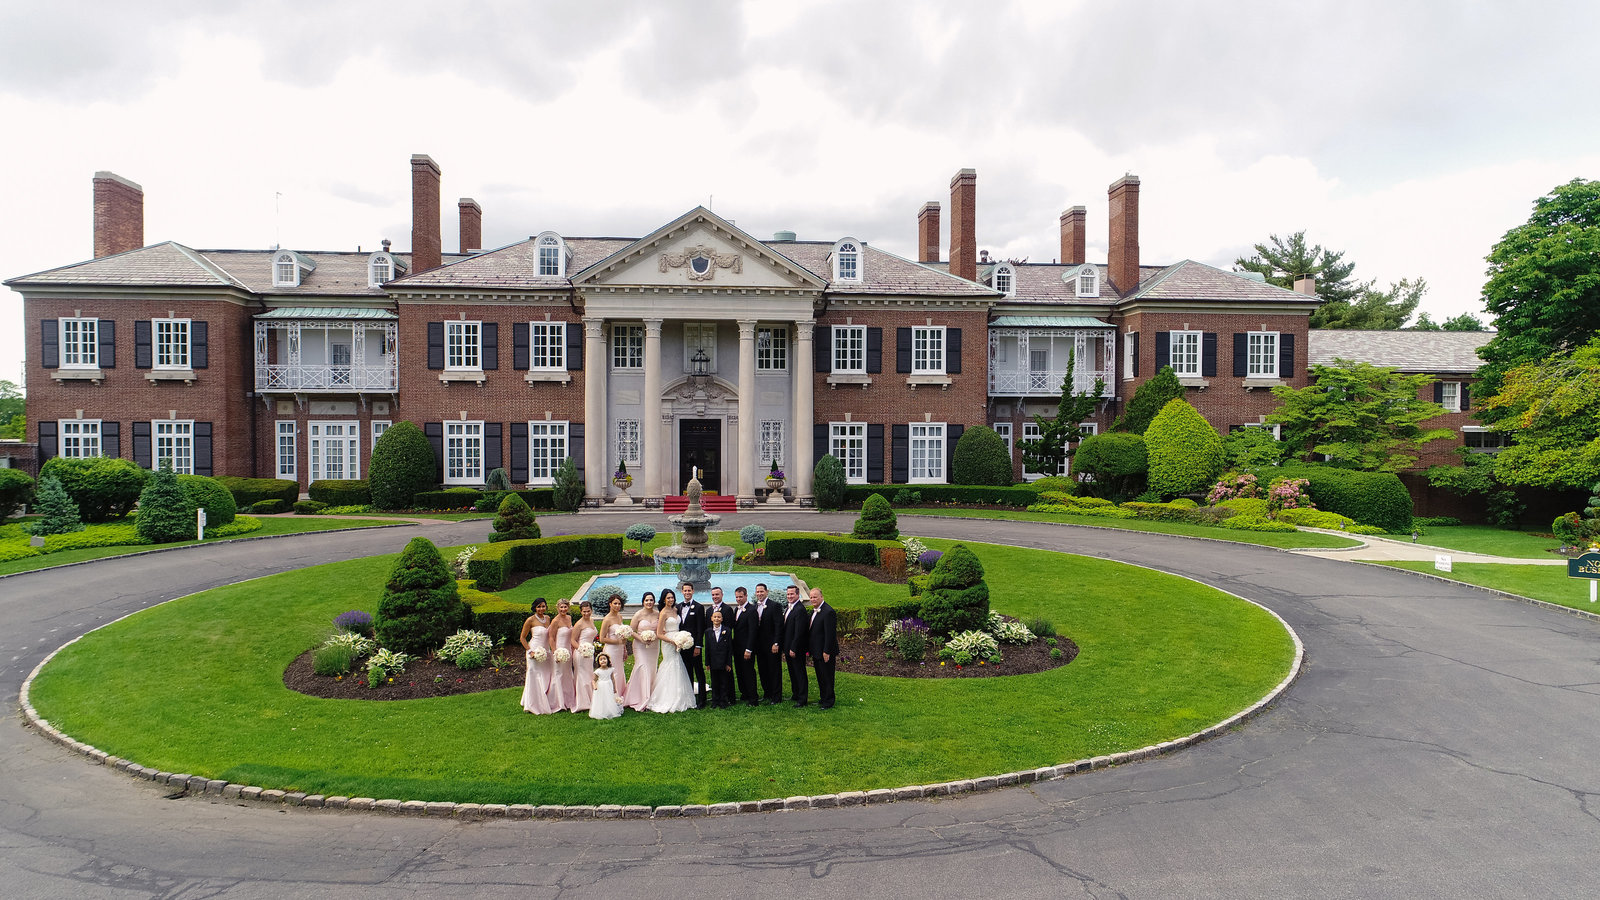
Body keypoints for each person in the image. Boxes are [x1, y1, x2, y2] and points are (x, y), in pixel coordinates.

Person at [647, 591, 696, 713]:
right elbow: (658, 634)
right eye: (668, 598)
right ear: (664, 599)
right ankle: (666, 696)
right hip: (668, 642)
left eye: (672, 597)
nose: (670, 599)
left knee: (678, 664)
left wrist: (682, 638)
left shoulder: (675, 609)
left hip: (678, 639)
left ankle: (680, 694)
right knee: (670, 664)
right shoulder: (663, 613)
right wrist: (672, 641)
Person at [623, 592, 661, 711]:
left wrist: (654, 637)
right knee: (642, 666)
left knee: (652, 668)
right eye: (647, 600)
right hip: (640, 646)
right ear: (643, 602)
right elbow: (631, 630)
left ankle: (651, 694)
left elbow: (661, 630)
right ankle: (640, 696)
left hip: (654, 646)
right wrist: (642, 639)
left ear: (654, 602)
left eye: (651, 600)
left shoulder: (658, 614)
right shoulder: (638, 614)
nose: (649, 602)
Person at [519, 598, 554, 714]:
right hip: (534, 650)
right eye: (538, 606)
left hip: (546, 651)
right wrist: (530, 651)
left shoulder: (548, 618)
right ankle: (531, 702)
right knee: (534, 675)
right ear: (535, 607)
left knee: (546, 675)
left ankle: (543, 699)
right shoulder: (530, 620)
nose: (541, 609)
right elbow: (522, 638)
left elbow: (550, 636)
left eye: (543, 606)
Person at [678, 582, 709, 708]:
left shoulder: (699, 607)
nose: (687, 593)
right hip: (682, 647)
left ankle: (702, 700)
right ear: (682, 592)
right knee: (687, 672)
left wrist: (698, 646)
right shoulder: (678, 607)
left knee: (699, 672)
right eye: (685, 591)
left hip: (694, 647)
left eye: (689, 590)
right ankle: (690, 698)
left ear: (693, 591)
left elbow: (700, 629)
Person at [808, 587, 838, 710]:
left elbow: (830, 634)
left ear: (822, 597)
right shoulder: (814, 611)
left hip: (825, 651)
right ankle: (823, 698)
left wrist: (826, 651)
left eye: (815, 597)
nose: (813, 599)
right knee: (820, 675)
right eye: (811, 597)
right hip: (817, 650)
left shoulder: (828, 611)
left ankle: (829, 701)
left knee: (827, 676)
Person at [753, 582, 784, 704]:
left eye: (761, 591)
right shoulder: (755, 606)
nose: (759, 594)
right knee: (763, 669)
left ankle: (776, 696)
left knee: (774, 670)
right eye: (758, 592)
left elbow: (778, 626)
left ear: (767, 592)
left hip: (772, 644)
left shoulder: (774, 606)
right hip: (759, 645)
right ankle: (767, 693)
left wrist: (776, 643)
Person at [781, 584, 811, 707]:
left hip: (796, 648)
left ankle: (802, 698)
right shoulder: (789, 608)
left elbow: (799, 632)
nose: (789, 596)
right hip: (788, 647)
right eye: (788, 594)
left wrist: (794, 648)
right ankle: (796, 693)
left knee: (799, 672)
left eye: (792, 594)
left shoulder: (800, 610)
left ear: (798, 594)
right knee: (792, 671)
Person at [545, 597, 576, 711]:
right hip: (559, 651)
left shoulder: (569, 618)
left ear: (568, 607)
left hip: (568, 650)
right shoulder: (555, 621)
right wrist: (555, 653)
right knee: (558, 674)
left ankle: (568, 699)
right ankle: (557, 702)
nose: (563, 609)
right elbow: (551, 638)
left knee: (567, 674)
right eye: (561, 607)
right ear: (557, 608)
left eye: (565, 607)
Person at [731, 586, 759, 706]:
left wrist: (749, 649)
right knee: (740, 671)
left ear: (746, 596)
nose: (738, 599)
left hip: (747, 648)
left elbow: (753, 631)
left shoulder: (752, 610)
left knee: (748, 672)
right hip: (737, 647)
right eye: (737, 597)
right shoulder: (736, 610)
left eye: (741, 597)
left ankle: (753, 698)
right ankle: (744, 693)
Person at [598, 594, 629, 699]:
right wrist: (617, 642)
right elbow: (602, 639)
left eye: (619, 604)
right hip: (611, 650)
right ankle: (610, 697)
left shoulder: (620, 616)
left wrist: (624, 648)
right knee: (612, 672)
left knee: (620, 671)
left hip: (620, 650)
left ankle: (619, 694)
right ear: (610, 604)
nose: (617, 606)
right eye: (615, 603)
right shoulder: (607, 619)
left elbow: (622, 636)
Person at [570, 599, 598, 713]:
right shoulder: (579, 624)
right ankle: (582, 702)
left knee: (589, 675)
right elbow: (572, 640)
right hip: (581, 654)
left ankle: (591, 698)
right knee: (582, 676)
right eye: (584, 612)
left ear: (591, 610)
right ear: (581, 612)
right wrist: (582, 650)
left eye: (588, 611)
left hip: (590, 653)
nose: (586, 613)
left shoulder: (591, 620)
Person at [705, 607, 734, 708]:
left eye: (719, 617)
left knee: (723, 682)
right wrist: (707, 663)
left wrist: (728, 663)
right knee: (714, 681)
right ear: (711, 618)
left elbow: (730, 648)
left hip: (723, 661)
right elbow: (707, 648)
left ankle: (723, 701)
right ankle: (715, 701)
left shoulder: (727, 631)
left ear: (722, 619)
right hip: (713, 661)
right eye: (715, 617)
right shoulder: (708, 631)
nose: (716, 619)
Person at [588, 652, 623, 720]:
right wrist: (595, 686)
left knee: (609, 698)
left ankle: (609, 710)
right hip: (601, 686)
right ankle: (601, 711)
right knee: (602, 698)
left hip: (608, 685)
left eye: (604, 659)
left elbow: (613, 679)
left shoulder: (610, 670)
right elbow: (593, 680)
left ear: (608, 660)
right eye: (601, 659)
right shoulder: (598, 671)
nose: (603, 660)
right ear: (598, 662)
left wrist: (614, 688)